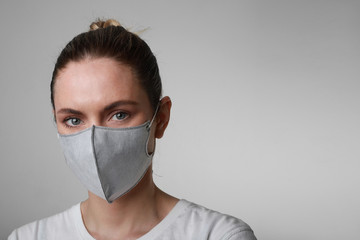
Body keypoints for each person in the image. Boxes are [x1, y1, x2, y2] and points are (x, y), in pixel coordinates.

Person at [8, 19, 257, 240]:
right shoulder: (28, 237)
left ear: (161, 118)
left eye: (119, 114)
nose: (94, 139)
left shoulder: (219, 235)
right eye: (74, 120)